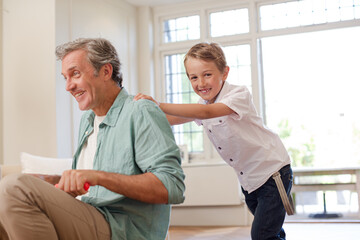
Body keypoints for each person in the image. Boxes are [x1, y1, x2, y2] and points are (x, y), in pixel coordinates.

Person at [0, 38, 185, 240]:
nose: (68, 86)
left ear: (106, 71)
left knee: (15, 187)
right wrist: (52, 180)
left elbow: (171, 186)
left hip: (122, 229)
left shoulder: (140, 110)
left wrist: (98, 176)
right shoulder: (88, 120)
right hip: (90, 214)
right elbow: (90, 183)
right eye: (65, 78)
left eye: (75, 74)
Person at [134, 42, 293, 240]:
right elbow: (172, 120)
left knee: (262, 235)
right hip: (250, 181)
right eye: (193, 77)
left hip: (273, 173)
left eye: (207, 74)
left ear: (224, 73)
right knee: (271, 231)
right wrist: (142, 113)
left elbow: (205, 112)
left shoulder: (238, 95)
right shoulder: (204, 104)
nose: (201, 83)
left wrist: (158, 104)